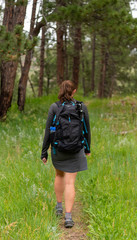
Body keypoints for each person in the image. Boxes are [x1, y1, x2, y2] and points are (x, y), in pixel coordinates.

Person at [41, 80, 91, 228]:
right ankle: (68, 217)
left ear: (60, 90)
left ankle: (59, 206)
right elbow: (87, 130)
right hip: (76, 149)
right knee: (70, 182)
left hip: (58, 149)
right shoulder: (81, 107)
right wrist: (87, 149)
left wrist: (44, 151)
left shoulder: (54, 107)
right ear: (74, 91)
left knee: (59, 175)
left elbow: (48, 131)